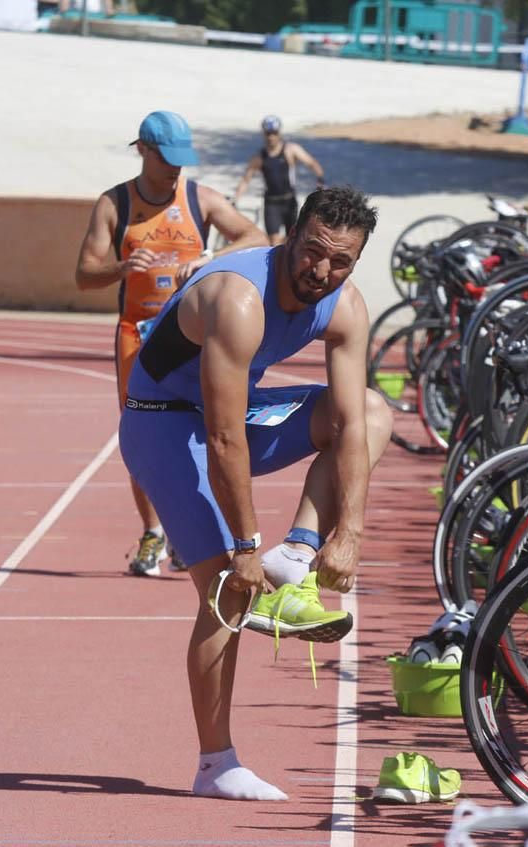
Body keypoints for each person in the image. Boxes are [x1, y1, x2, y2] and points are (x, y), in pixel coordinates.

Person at [119, 185, 393, 801]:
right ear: (289, 238)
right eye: (313, 252)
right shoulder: (239, 298)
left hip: (230, 416)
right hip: (163, 423)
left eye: (341, 260)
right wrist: (244, 546)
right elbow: (221, 439)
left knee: (373, 414)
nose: (322, 270)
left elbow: (349, 425)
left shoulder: (345, 306)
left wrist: (345, 535)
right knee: (227, 593)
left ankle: (293, 556)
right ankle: (215, 765)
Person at [73, 111, 267, 577]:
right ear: (143, 150)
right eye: (167, 159)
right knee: (143, 435)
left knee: (205, 429)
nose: (176, 169)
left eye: (183, 160)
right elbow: (83, 275)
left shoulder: (199, 198)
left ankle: (188, 532)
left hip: (192, 336)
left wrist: (209, 260)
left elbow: (255, 236)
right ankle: (153, 533)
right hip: (136, 332)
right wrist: (120, 268)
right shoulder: (114, 203)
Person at [233, 116, 326, 246]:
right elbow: (246, 179)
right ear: (264, 134)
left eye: (274, 133)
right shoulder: (259, 157)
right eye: (268, 133)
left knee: (292, 240)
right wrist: (235, 199)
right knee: (273, 242)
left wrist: (320, 180)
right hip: (271, 203)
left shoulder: (290, 150)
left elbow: (311, 163)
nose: (271, 137)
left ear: (279, 133)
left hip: (289, 201)